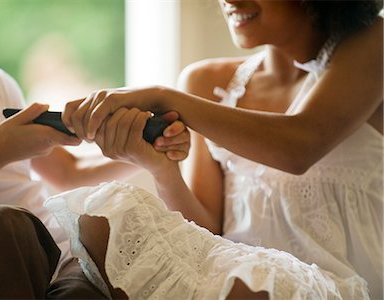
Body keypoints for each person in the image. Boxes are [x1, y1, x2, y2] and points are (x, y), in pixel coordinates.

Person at [50, 0, 383, 299]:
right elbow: (207, 231)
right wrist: (161, 167)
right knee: (104, 222)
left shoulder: (375, 43)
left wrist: (164, 98)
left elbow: (300, 145)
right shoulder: (205, 82)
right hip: (237, 276)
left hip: (336, 287)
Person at [0, 0, 190, 298]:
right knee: (3, 223)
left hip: (53, 255)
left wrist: (146, 151)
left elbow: (69, 172)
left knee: (101, 256)